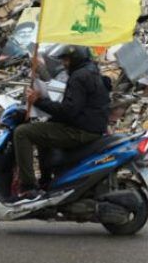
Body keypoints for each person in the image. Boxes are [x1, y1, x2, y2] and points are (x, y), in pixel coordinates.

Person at [12, 45, 110, 202]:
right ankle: (46, 181)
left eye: (66, 59)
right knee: (43, 130)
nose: (64, 63)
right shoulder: (91, 71)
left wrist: (38, 101)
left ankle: (29, 187)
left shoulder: (79, 76)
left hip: (81, 130)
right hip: (90, 126)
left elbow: (69, 111)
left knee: (22, 132)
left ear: (75, 59)